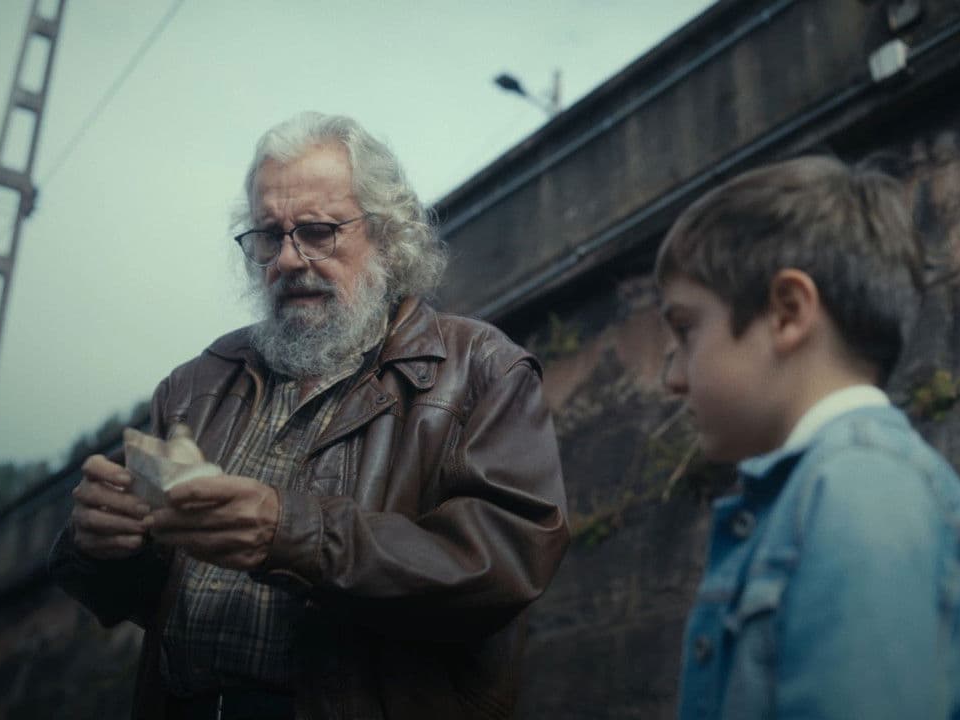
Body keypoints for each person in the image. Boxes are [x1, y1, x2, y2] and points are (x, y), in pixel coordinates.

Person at [49, 112, 570, 720]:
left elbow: (501, 567)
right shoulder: (196, 384)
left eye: (318, 232)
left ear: (387, 236)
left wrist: (287, 534)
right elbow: (144, 599)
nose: (289, 259)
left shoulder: (481, 368)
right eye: (269, 236)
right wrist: (103, 545)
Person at [656, 156, 960, 719]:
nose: (673, 378)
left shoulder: (858, 489)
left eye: (685, 330)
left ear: (787, 313)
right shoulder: (839, 486)